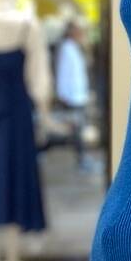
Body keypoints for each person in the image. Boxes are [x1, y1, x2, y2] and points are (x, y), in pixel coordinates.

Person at [55, 18, 90, 167]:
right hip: (72, 97)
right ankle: (81, 160)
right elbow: (63, 73)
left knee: (77, 129)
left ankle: (81, 159)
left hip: (78, 95)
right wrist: (63, 94)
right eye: (78, 30)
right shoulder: (67, 49)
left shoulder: (74, 48)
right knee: (75, 129)